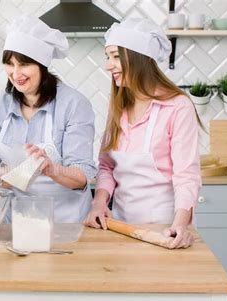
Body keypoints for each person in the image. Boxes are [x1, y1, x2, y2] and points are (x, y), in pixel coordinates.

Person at [83, 18, 202, 249]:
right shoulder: (119, 106)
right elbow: (106, 166)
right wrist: (99, 203)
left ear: (140, 59)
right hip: (120, 228)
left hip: (164, 230)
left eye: (116, 57)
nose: (109, 65)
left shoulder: (177, 106)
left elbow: (186, 175)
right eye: (108, 57)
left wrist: (180, 225)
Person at [0, 15, 97, 223]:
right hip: (15, 221)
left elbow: (82, 176)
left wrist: (50, 168)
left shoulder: (74, 104)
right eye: (9, 64)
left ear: (41, 65)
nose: (15, 73)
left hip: (66, 220)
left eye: (24, 64)